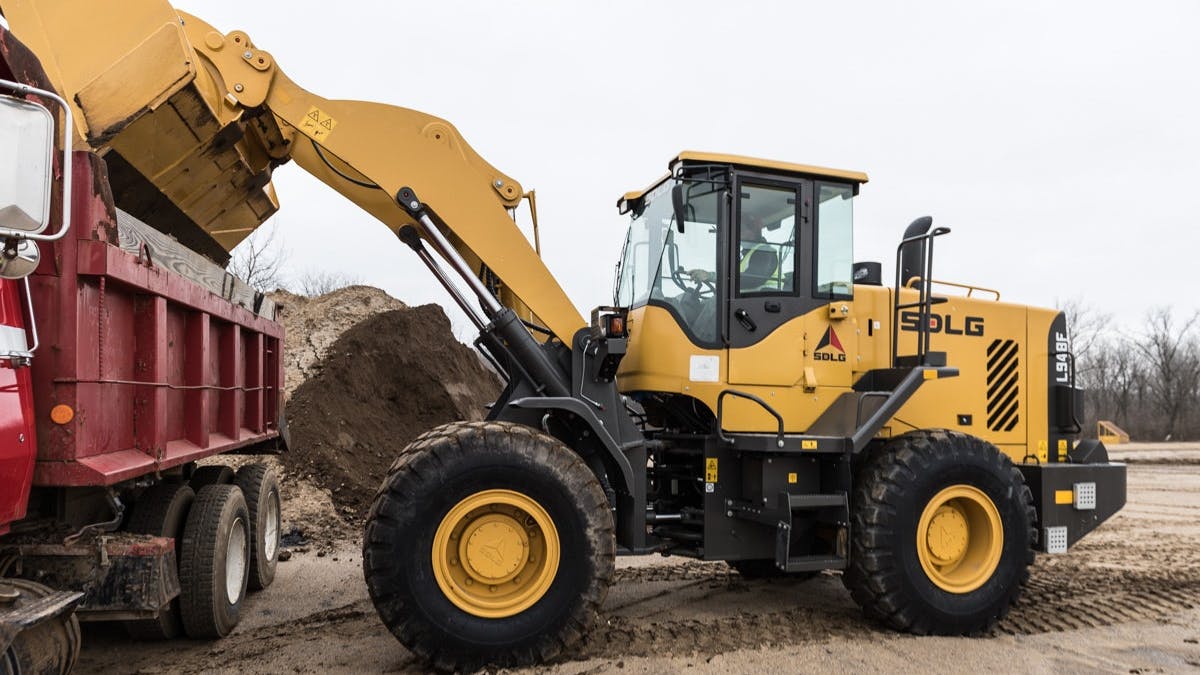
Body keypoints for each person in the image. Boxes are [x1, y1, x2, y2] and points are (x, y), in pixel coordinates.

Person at [738, 216, 779, 292]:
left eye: (741, 230)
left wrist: (719, 278)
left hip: (763, 299)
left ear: (752, 232)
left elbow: (754, 279)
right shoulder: (748, 254)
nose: (738, 235)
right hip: (745, 299)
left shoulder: (764, 251)